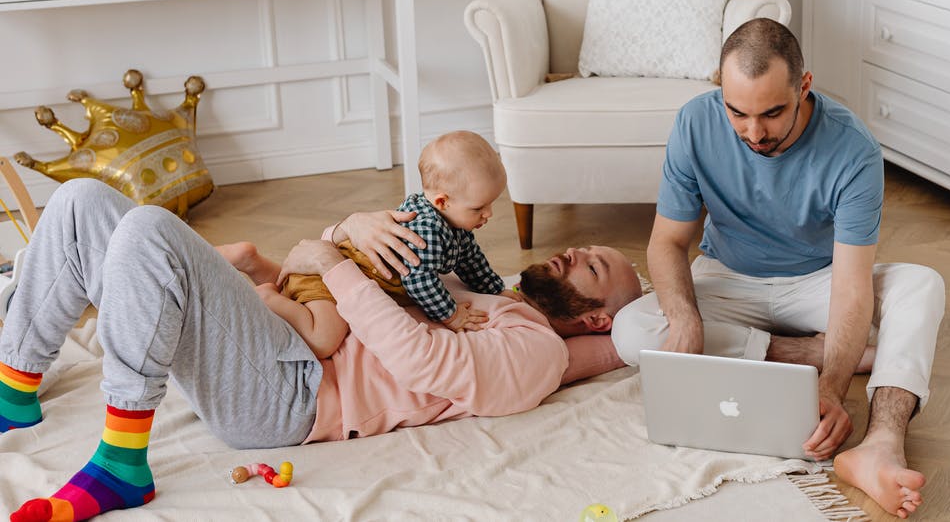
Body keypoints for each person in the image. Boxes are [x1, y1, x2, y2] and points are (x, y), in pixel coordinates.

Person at [0, 178, 642, 522]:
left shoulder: (536, 351)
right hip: (283, 345)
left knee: (148, 230)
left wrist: (332, 262)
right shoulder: (485, 290)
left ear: (595, 319)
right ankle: (14, 389)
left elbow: (416, 358)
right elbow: (348, 282)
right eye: (589, 249)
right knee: (81, 202)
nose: (578, 251)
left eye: (594, 268)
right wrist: (330, 243)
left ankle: (121, 464)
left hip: (292, 397)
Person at [610, 18, 945, 519]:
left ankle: (882, 445)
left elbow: (852, 287)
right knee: (631, 328)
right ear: (719, 90)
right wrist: (686, 320)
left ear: (803, 86)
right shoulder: (694, 122)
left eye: (771, 113)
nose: (753, 132)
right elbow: (668, 242)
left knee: (922, 286)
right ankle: (807, 351)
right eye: (737, 112)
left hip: (819, 282)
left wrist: (831, 387)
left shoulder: (854, 149)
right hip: (726, 275)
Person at [216, 130, 515, 358]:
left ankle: (253, 261)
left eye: (491, 204)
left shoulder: (452, 223)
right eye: (479, 208)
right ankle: (268, 298)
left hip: (336, 272)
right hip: (333, 283)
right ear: (442, 201)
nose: (488, 214)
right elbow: (420, 283)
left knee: (303, 293)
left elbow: (471, 260)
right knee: (323, 340)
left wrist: (495, 289)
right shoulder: (429, 233)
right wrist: (452, 315)